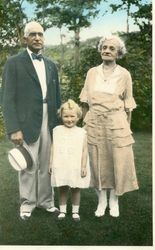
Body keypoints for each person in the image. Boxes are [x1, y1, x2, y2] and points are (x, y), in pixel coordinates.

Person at [2, 21, 61, 220]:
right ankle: (27, 203)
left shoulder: (52, 65)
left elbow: (57, 97)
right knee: (28, 163)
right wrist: (14, 128)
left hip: (49, 118)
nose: (37, 38)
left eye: (40, 34)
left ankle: (46, 201)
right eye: (33, 34)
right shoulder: (14, 63)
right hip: (26, 120)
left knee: (47, 162)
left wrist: (59, 127)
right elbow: (7, 99)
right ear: (24, 39)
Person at [79, 35, 139, 218]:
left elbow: (128, 105)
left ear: (118, 53)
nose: (106, 50)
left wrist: (126, 129)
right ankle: (101, 200)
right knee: (95, 160)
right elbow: (84, 102)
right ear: (100, 50)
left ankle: (114, 200)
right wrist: (83, 122)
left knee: (117, 160)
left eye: (111, 48)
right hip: (95, 121)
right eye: (104, 47)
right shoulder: (91, 73)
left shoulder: (124, 74)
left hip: (116, 122)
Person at [49, 99, 90, 221]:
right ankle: (62, 210)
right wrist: (51, 163)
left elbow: (84, 151)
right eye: (66, 116)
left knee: (75, 188)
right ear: (61, 116)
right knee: (62, 187)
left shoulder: (82, 132)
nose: (69, 119)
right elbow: (53, 147)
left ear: (78, 117)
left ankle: (75, 211)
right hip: (61, 164)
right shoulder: (57, 130)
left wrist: (83, 166)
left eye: (72, 116)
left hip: (75, 165)